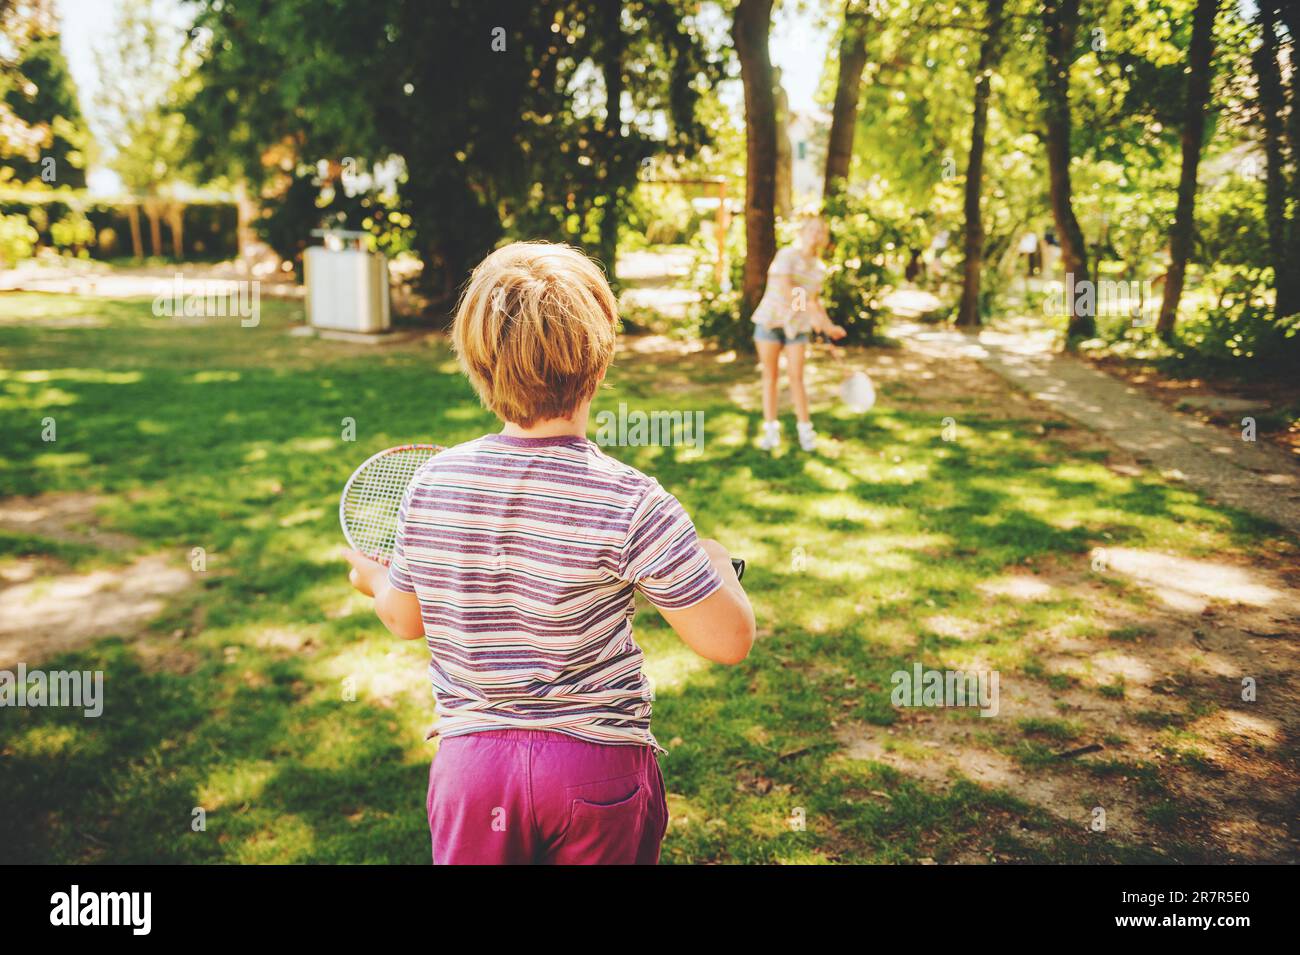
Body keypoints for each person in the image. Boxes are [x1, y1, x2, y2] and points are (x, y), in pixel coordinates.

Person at [343, 241, 756, 865]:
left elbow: (405, 619)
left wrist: (375, 581)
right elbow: (729, 641)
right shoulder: (634, 500)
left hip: (474, 771)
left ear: (478, 364)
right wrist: (719, 565)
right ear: (600, 358)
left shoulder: (433, 484)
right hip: (595, 771)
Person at [751, 216, 847, 451]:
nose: (816, 233)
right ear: (803, 231)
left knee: (797, 378)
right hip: (770, 322)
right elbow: (787, 289)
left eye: (821, 231)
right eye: (812, 229)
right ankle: (771, 431)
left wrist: (827, 325)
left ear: (824, 238)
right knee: (770, 378)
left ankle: (806, 433)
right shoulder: (786, 255)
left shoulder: (819, 268)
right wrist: (812, 315)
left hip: (796, 327)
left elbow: (815, 301)